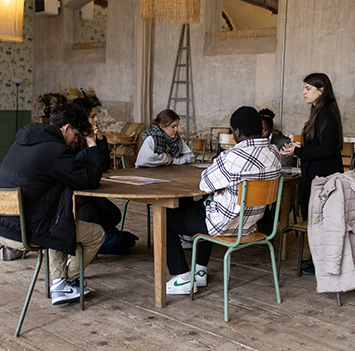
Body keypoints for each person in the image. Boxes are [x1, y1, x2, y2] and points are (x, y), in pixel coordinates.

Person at [166, 106, 282, 294]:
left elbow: (205, 184)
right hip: (250, 225)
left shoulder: (233, 156)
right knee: (204, 208)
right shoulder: (274, 153)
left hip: (224, 224)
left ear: (237, 132)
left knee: (167, 218)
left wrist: (222, 185)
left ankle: (182, 277)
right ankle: (200, 270)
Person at [0, 103, 105, 305]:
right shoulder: (55, 151)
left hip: (5, 226)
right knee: (96, 234)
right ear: (65, 128)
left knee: (60, 218)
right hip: (27, 231)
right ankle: (66, 280)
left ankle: (60, 283)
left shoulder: (23, 141)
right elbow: (90, 179)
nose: (76, 140)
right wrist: (92, 143)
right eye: (75, 134)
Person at [280, 73, 344, 275]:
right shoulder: (320, 112)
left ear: (321, 90)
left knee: (319, 222)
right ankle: (317, 261)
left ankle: (321, 264)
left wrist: (297, 151)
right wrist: (301, 146)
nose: (303, 92)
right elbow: (320, 145)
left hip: (322, 177)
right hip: (317, 175)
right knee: (316, 221)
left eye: (308, 88)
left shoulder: (326, 114)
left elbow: (327, 150)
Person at [73, 95, 122, 232]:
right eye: (92, 116)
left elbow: (104, 165)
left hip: (92, 188)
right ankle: (94, 241)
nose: (96, 120)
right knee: (94, 216)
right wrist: (90, 145)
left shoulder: (94, 137)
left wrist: (100, 140)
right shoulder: (73, 138)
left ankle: (101, 241)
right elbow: (74, 163)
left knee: (114, 214)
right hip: (77, 192)